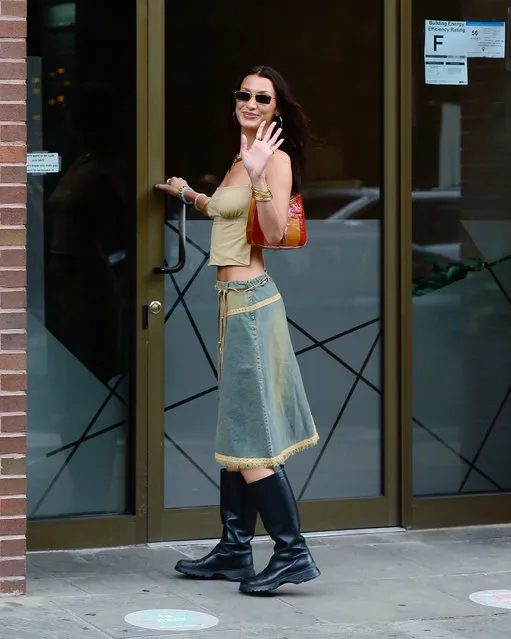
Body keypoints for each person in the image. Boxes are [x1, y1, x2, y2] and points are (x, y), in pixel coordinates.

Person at [155, 65, 320, 595]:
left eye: (262, 98)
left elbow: (271, 234)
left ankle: (293, 553)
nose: (251, 103)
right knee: (235, 431)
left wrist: (256, 175)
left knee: (250, 433)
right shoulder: (240, 154)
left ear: (276, 109)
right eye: (245, 95)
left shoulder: (274, 159)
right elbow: (227, 216)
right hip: (232, 304)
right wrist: (188, 195)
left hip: (252, 305)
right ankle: (233, 550)